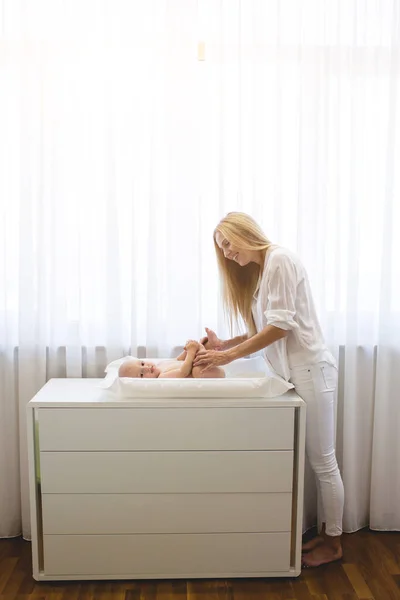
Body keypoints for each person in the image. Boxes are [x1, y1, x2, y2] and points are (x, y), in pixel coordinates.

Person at [193, 211, 344, 568]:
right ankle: (325, 534)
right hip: (295, 374)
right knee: (315, 460)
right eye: (221, 249)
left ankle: (335, 543)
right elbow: (260, 329)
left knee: (323, 461)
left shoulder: (279, 260)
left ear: (245, 232)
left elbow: (279, 328)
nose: (227, 253)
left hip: (311, 370)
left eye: (228, 243)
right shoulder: (263, 272)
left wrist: (226, 357)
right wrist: (220, 346)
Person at [118, 340, 225, 379]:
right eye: (141, 374)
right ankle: (204, 349)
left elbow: (178, 360)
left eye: (142, 363)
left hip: (211, 368)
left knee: (197, 358)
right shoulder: (162, 377)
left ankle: (206, 345)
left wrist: (187, 349)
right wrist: (192, 352)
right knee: (197, 371)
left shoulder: (161, 364)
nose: (146, 368)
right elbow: (183, 372)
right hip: (209, 371)